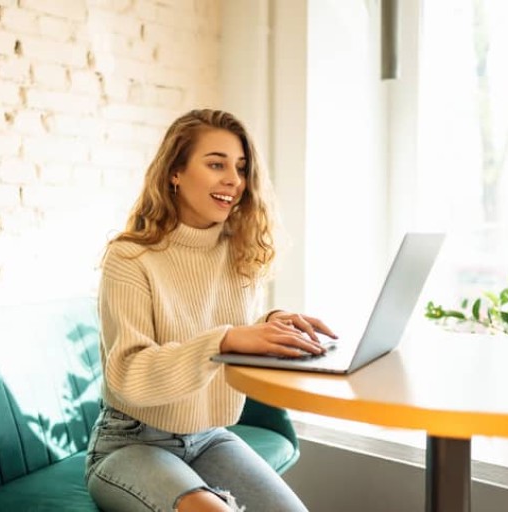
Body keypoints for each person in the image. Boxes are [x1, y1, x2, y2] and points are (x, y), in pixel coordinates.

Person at [85, 109, 337, 512]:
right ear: (175, 172)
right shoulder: (130, 257)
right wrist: (227, 338)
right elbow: (129, 374)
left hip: (207, 435)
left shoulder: (238, 251)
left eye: (240, 168)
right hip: (130, 442)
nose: (233, 180)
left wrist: (268, 326)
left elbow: (210, 332)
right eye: (216, 164)